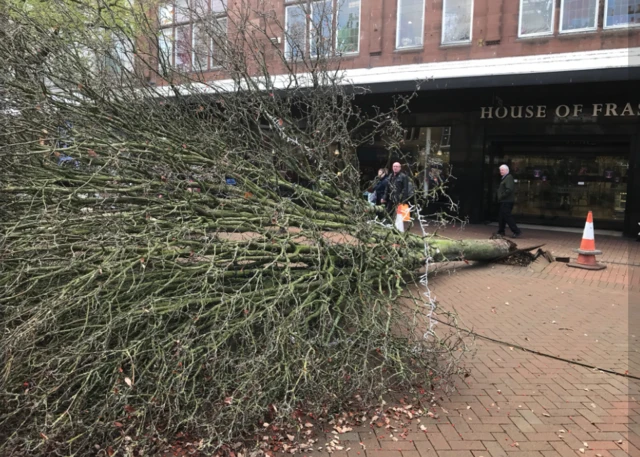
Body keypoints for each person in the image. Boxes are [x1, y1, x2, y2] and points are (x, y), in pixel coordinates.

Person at [497, 164, 521, 238]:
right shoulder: (505, 178)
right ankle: (501, 231)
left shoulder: (508, 178)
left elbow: (509, 189)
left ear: (507, 171)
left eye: (502, 170)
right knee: (502, 216)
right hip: (504, 200)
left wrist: (501, 196)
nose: (501, 171)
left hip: (507, 201)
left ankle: (516, 231)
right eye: (500, 170)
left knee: (507, 216)